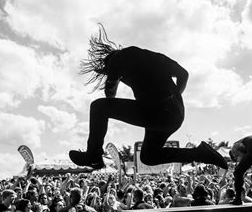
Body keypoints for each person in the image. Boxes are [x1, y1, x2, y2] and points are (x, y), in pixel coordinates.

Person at [69, 24, 227, 171]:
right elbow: (183, 74)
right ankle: (200, 154)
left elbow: (109, 96)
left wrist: (113, 77)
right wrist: (174, 97)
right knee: (148, 156)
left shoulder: (117, 60)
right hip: (174, 116)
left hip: (156, 113)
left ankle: (93, 156)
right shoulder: (155, 58)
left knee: (98, 107)